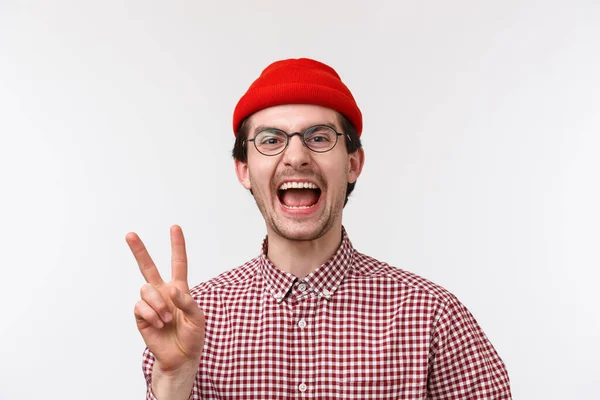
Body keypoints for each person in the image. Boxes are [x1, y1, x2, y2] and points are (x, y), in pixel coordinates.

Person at [126, 58, 512, 400]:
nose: (296, 156)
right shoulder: (193, 319)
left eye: (319, 138)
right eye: (271, 140)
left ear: (353, 163)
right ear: (244, 169)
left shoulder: (433, 318)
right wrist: (174, 381)